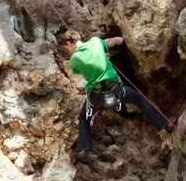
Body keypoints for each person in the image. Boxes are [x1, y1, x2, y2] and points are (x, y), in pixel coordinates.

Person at [62, 29, 174, 162]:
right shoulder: (96, 42)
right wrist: (120, 40)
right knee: (139, 100)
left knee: (84, 117)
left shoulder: (74, 60)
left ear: (69, 43)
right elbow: (110, 41)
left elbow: (84, 69)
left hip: (96, 97)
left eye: (66, 48)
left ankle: (83, 150)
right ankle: (165, 125)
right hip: (117, 90)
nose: (68, 51)